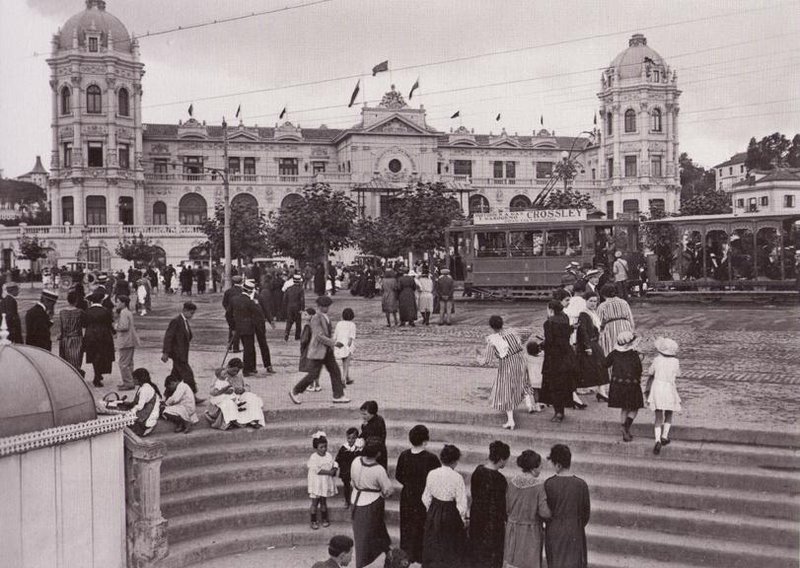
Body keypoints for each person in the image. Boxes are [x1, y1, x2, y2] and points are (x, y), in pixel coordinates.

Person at [288, 295, 350, 404]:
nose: (327, 308)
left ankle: (338, 395)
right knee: (313, 374)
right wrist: (334, 343)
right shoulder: (316, 318)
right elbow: (319, 336)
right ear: (320, 306)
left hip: (326, 351)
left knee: (335, 371)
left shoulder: (325, 316)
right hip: (319, 351)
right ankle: (295, 391)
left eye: (328, 306)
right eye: (325, 306)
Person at [395, 424, 441, 564]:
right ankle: (420, 557)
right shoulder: (431, 458)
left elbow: (398, 475)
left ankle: (407, 556)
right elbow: (437, 478)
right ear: (425, 440)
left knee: (407, 526)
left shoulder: (404, 455)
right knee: (421, 526)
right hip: (423, 497)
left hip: (407, 496)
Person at [477, 315, 527, 430]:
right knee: (521, 384)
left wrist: (479, 357)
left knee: (506, 390)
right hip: (520, 360)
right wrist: (520, 343)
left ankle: (511, 420)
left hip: (506, 365)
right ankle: (531, 405)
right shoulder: (512, 332)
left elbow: (487, 361)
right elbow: (526, 332)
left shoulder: (492, 340)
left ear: (491, 327)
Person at [544, 444, 590, 568]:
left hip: (554, 531)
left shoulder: (549, 484)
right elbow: (586, 514)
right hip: (575, 530)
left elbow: (545, 511)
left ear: (558, 465)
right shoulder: (581, 485)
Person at [422, 444, 468, 568]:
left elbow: (425, 497)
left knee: (434, 545)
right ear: (454, 461)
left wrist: (431, 511)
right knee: (450, 548)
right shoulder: (457, 478)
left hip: (434, 511)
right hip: (450, 513)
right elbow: (461, 503)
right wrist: (461, 519)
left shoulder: (432, 473)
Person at [503, 450, 551, 568]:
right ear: (533, 468)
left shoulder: (512, 482)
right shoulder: (539, 486)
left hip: (512, 529)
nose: (541, 469)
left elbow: (507, 507)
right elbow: (544, 512)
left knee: (512, 563)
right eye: (540, 467)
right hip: (530, 532)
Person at [350, 441, 393, 568]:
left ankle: (386, 551)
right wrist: (385, 494)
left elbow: (352, 481)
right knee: (370, 533)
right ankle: (380, 554)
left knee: (363, 533)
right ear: (378, 454)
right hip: (372, 503)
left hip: (356, 499)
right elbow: (388, 490)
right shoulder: (379, 469)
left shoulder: (356, 461)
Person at [469, 440, 510, 568]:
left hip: (477, 519)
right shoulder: (500, 480)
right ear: (501, 460)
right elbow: (502, 506)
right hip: (493, 525)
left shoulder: (478, 471)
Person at [540, 300, 578, 423]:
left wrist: (541, 345)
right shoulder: (565, 318)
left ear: (551, 309)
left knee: (555, 385)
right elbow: (565, 334)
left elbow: (550, 342)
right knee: (564, 384)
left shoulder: (548, 323)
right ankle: (563, 409)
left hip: (554, 359)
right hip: (567, 356)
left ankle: (558, 413)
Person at [206, 358, 266, 430]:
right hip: (224, 397)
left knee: (251, 398)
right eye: (234, 370)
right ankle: (233, 421)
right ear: (228, 366)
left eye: (237, 371)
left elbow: (247, 387)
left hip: (238, 397)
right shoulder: (220, 375)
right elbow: (212, 392)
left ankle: (252, 420)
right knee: (228, 403)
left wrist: (243, 389)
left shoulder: (239, 375)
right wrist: (225, 391)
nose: (236, 373)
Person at [605, 330, 643, 443]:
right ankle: (626, 427)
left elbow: (604, 364)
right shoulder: (634, 354)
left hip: (617, 385)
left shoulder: (614, 353)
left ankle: (624, 427)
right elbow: (639, 369)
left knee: (624, 408)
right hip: (631, 385)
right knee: (635, 408)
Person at [646, 337, 682, 455]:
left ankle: (657, 440)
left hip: (657, 388)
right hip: (669, 388)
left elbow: (650, 372)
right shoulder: (675, 362)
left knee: (658, 415)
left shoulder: (657, 360)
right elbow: (678, 374)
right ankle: (665, 436)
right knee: (669, 412)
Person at [162, 301, 201, 399]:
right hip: (178, 354)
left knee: (176, 376)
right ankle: (193, 396)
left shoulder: (184, 321)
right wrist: (166, 352)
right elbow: (168, 337)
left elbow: (188, 335)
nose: (192, 315)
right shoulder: (176, 321)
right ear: (185, 310)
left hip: (182, 353)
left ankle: (168, 394)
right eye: (191, 313)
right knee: (188, 375)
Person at [577, 291, 609, 401]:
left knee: (600, 366)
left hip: (594, 342)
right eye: (590, 301)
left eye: (595, 301)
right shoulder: (584, 314)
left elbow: (596, 328)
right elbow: (583, 331)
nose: (593, 303)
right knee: (590, 367)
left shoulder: (593, 313)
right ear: (585, 301)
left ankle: (602, 391)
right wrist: (587, 346)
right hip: (589, 344)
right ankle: (576, 393)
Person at [596, 283, 635, 364]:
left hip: (610, 329)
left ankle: (614, 370)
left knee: (612, 349)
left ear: (603, 295)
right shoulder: (624, 302)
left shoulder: (602, 306)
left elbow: (598, 323)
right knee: (626, 348)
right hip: (625, 326)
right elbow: (630, 317)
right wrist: (632, 330)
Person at [83, 290, 115, 387]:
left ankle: (97, 374)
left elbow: (84, 324)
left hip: (90, 335)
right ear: (101, 301)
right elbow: (109, 323)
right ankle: (98, 375)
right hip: (103, 335)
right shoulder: (105, 311)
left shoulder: (87, 311)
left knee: (93, 356)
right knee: (102, 355)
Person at [119, 368, 162, 438]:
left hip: (148, 413)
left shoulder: (145, 389)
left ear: (139, 379)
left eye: (134, 378)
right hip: (145, 409)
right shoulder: (143, 387)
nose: (133, 380)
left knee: (127, 420)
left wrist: (129, 411)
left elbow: (140, 406)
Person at [308, 431, 338, 530]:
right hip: (317, 483)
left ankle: (324, 518)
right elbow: (317, 470)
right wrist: (329, 473)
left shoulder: (328, 455)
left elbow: (333, 463)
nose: (324, 449)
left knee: (323, 502)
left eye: (325, 446)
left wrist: (334, 469)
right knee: (315, 503)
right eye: (321, 447)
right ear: (316, 447)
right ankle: (313, 520)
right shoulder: (314, 457)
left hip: (324, 483)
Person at [231, 280, 259, 376]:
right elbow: (257, 314)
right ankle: (247, 370)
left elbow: (228, 314)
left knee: (247, 347)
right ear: (250, 291)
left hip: (238, 327)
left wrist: (232, 326)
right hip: (248, 328)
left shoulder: (234, 299)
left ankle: (250, 368)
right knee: (248, 348)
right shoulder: (250, 302)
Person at [114, 295, 140, 390]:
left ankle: (128, 382)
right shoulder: (128, 312)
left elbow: (124, 327)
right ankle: (130, 380)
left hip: (125, 340)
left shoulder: (123, 313)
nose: (117, 304)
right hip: (130, 340)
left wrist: (116, 326)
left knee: (123, 363)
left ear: (123, 303)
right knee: (129, 362)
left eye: (118, 302)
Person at [57, 289, 85, 376]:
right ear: (76, 301)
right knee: (76, 360)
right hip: (77, 339)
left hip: (65, 338)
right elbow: (83, 325)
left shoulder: (62, 312)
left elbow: (61, 327)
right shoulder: (80, 312)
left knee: (65, 361)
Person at [251, 283, 276, 374]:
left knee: (263, 344)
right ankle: (252, 367)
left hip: (259, 324)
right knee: (250, 346)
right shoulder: (244, 297)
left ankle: (268, 365)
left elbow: (266, 309)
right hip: (249, 325)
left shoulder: (259, 297)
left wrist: (271, 321)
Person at [335, 427, 362, 509]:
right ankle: (347, 501)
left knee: (356, 486)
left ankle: (356, 501)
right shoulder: (344, 448)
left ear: (357, 438)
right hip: (345, 471)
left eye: (353, 438)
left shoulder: (358, 449)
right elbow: (338, 458)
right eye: (349, 438)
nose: (350, 440)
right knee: (346, 486)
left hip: (355, 471)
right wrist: (337, 467)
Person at [359, 400, 387, 470]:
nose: (363, 416)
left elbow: (368, 436)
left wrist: (364, 427)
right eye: (362, 414)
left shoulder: (376, 424)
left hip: (376, 452)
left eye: (365, 414)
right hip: (374, 450)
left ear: (372, 413)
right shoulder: (373, 420)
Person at [334, 308, 357, 385]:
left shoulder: (339, 323)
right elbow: (351, 337)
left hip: (339, 344)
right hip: (347, 345)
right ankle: (344, 378)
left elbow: (335, 335)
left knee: (343, 360)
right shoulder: (352, 325)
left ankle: (347, 377)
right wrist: (348, 347)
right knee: (346, 362)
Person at [223, 275, 243, 353]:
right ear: (241, 282)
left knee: (231, 329)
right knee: (238, 330)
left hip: (230, 314)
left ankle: (229, 345)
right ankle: (236, 347)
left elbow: (224, 303)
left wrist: (228, 310)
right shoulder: (242, 291)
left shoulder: (228, 291)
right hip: (240, 314)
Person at [283, 274, 305, 341]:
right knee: (298, 322)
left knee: (289, 321)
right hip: (297, 307)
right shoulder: (301, 289)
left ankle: (286, 333)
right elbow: (302, 299)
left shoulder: (289, 289)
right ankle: (297, 336)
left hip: (289, 307)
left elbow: (284, 299)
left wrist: (286, 307)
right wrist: (302, 308)